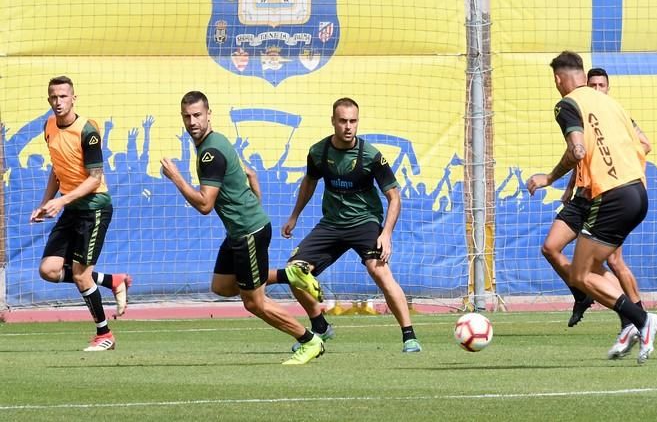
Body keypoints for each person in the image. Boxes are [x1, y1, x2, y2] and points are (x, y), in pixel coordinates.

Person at [160, 91, 324, 365]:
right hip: (243, 229)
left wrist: (177, 177)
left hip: (247, 232)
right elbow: (250, 173)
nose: (192, 122)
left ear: (209, 114)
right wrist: (254, 203)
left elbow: (204, 205)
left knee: (254, 302)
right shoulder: (217, 140)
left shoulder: (210, 153)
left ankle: (310, 340)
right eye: (187, 116)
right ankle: (290, 276)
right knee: (222, 286)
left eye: (198, 115)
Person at [527, 51, 657, 365]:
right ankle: (630, 320)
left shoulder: (567, 104)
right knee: (580, 265)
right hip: (636, 191)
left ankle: (641, 319)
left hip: (610, 195)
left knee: (582, 273)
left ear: (559, 79)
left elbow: (577, 149)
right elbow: (640, 142)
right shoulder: (611, 104)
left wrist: (549, 177)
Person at [267, 97, 422, 353]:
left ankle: (409, 337)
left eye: (353, 121)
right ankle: (320, 327)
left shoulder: (371, 155)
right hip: (331, 225)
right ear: (333, 122)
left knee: (379, 271)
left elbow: (394, 196)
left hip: (365, 222)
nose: (348, 126)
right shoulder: (318, 152)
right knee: (295, 272)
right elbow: (309, 182)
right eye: (343, 121)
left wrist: (386, 233)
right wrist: (294, 215)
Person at [31, 76, 131, 351]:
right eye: (53, 97)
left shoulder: (88, 130)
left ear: (74, 98)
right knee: (49, 270)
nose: (58, 102)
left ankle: (105, 335)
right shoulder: (49, 126)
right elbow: (56, 168)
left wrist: (61, 202)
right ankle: (112, 280)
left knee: (79, 274)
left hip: (94, 207)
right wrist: (45, 203)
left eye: (63, 96)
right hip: (71, 207)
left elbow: (95, 178)